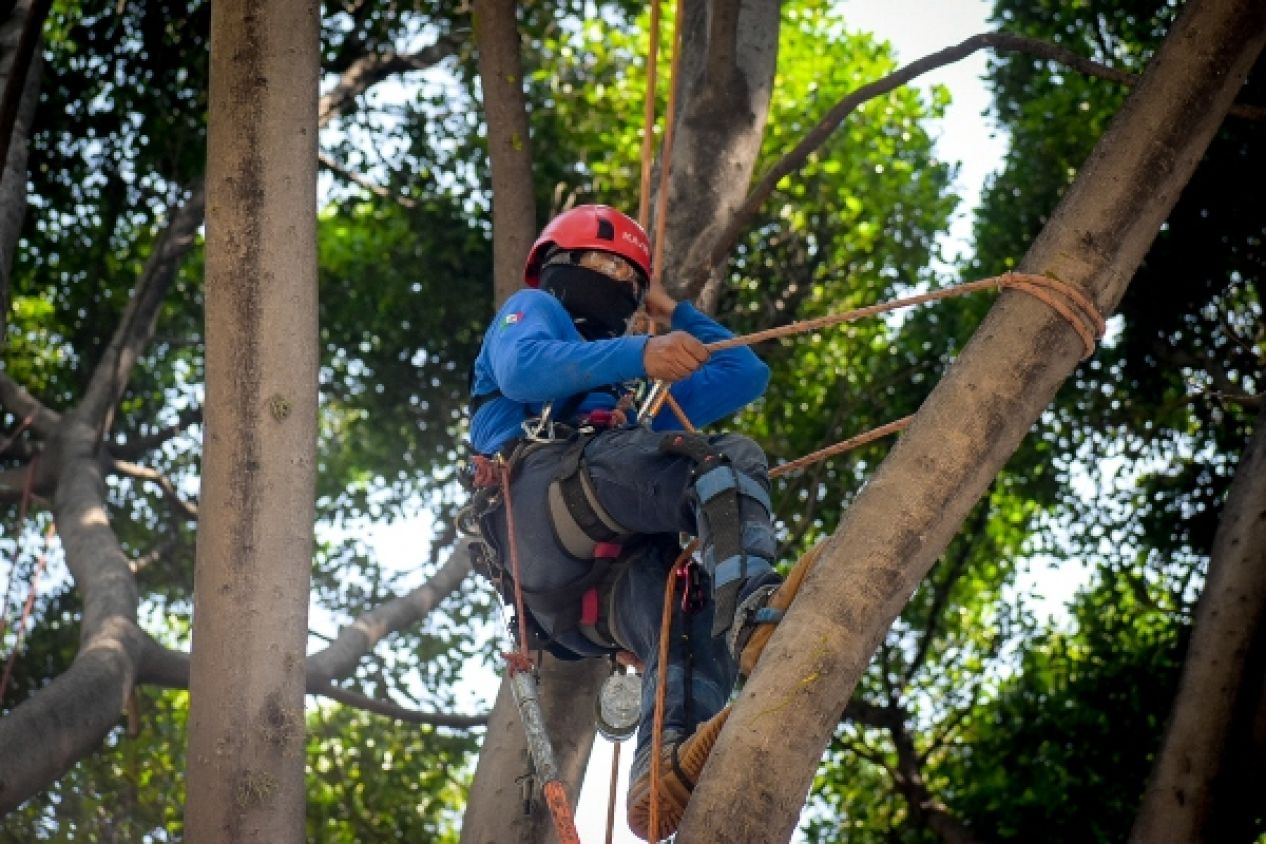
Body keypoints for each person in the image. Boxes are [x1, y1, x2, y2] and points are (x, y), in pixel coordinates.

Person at [463, 204, 783, 839]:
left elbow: (745, 372)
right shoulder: (536, 312)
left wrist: (668, 308)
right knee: (721, 458)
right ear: (559, 268)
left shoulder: (630, 412)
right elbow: (526, 369)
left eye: (627, 276)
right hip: (542, 496)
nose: (617, 280)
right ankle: (754, 609)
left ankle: (662, 762)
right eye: (603, 264)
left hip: (574, 598)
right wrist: (642, 350)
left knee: (684, 607)